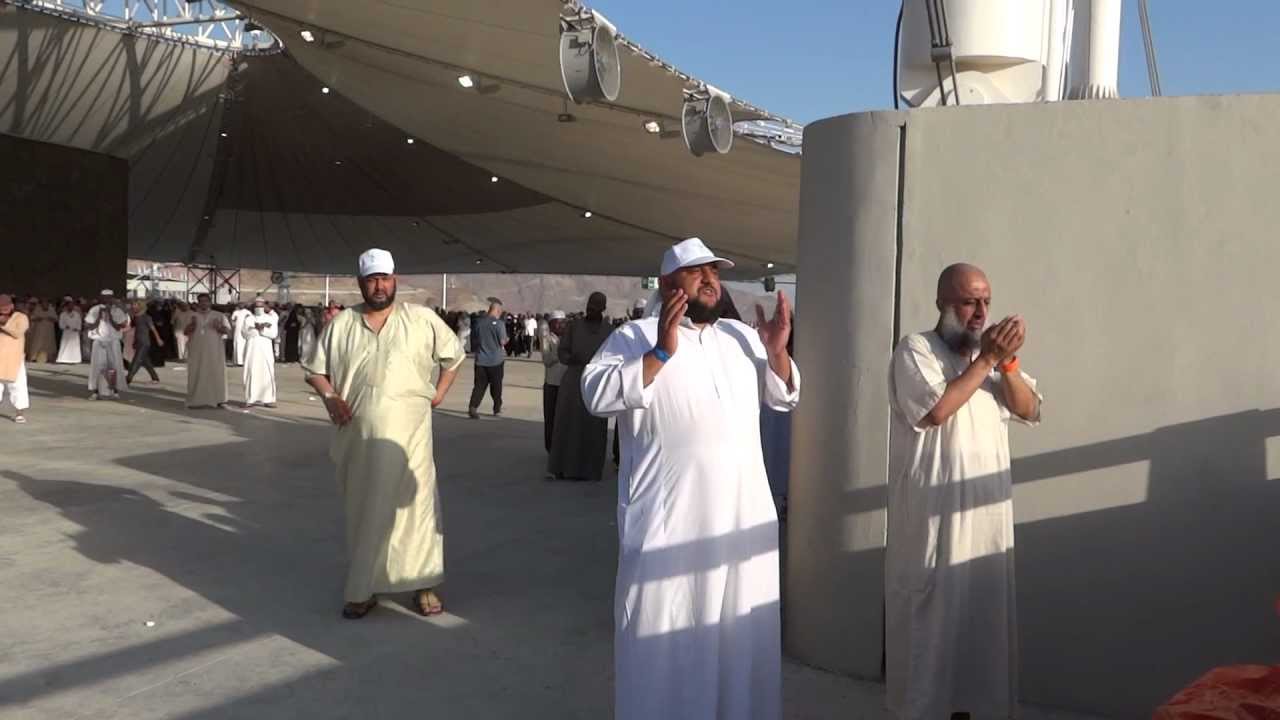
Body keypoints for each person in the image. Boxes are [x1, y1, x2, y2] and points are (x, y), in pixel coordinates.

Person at [581, 237, 800, 720]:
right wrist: (662, 349)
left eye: (715, 272)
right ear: (667, 284)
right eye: (696, 271)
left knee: (741, 636)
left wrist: (779, 353)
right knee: (667, 635)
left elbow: (784, 396)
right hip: (670, 521)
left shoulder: (741, 338)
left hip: (743, 518)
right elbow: (595, 395)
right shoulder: (634, 336)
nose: (709, 280)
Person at [886, 263, 1042, 720]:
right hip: (933, 526)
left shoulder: (991, 360)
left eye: (986, 302)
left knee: (982, 641)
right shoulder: (916, 350)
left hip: (985, 529)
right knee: (929, 642)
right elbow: (935, 410)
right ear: (942, 304)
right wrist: (988, 361)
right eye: (969, 301)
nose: (979, 312)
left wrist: (1005, 364)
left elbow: (1030, 408)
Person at [304, 248, 464, 620]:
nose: (380, 286)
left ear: (395, 280)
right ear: (361, 283)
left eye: (385, 278)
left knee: (417, 511)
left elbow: (453, 357)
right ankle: (363, 588)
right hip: (359, 442)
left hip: (411, 442)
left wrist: (438, 393)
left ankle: (424, 585)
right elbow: (315, 369)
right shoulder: (342, 324)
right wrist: (329, 397)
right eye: (372, 279)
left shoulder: (421, 319)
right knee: (365, 512)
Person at [548, 293, 613, 481]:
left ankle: (590, 471)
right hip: (573, 381)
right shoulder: (574, 327)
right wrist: (570, 359)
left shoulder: (609, 331)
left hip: (597, 383)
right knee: (568, 424)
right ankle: (563, 468)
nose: (591, 309)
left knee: (593, 427)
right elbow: (562, 351)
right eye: (590, 305)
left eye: (596, 306)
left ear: (603, 308)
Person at [184, 293, 230, 409]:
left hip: (214, 350)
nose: (203, 303)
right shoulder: (192, 315)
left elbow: (228, 332)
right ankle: (196, 399)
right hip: (197, 350)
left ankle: (219, 399)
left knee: (215, 372)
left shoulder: (219, 315)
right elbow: (185, 331)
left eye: (206, 301)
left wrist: (219, 327)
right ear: (198, 303)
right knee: (197, 372)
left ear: (210, 302)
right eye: (201, 301)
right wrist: (192, 325)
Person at [85, 290, 129, 400]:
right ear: (101, 297)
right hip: (98, 341)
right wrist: (99, 316)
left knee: (114, 366)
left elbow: (119, 327)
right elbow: (89, 327)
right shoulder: (94, 310)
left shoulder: (117, 310)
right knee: (97, 367)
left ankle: (114, 391)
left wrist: (110, 314)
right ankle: (95, 391)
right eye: (105, 297)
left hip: (113, 341)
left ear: (112, 298)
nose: (107, 299)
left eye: (109, 297)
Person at [468, 301, 508, 419]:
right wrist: (507, 340)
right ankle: (497, 409)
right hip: (496, 360)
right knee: (496, 386)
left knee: (479, 386)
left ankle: (473, 407)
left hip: (481, 359)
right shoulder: (500, 324)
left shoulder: (479, 323)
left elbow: (474, 339)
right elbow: (502, 341)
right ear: (497, 311)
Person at [241, 297, 278, 408]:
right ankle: (250, 398)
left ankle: (269, 399)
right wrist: (255, 330)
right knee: (251, 372)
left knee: (267, 373)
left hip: (265, 350)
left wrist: (262, 330)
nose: (259, 308)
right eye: (257, 306)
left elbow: (273, 334)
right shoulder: (249, 319)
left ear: (264, 307)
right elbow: (244, 333)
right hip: (252, 349)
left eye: (261, 305)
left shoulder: (270, 319)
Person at [0, 295, 31, 424]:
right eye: (2, 306)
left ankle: (19, 413)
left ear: (12, 305)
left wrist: (3, 323)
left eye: (7, 305)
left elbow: (18, 332)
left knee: (18, 386)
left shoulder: (21, 317)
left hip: (15, 358)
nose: (5, 308)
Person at [540, 310, 568, 454]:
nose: (561, 326)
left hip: (566, 385)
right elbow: (546, 360)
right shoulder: (547, 339)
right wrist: (559, 352)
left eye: (563, 322)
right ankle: (551, 448)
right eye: (558, 323)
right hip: (552, 384)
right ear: (551, 324)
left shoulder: (569, 338)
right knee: (551, 418)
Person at [126, 301, 163, 385]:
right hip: (138, 342)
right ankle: (155, 378)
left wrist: (158, 339)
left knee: (136, 361)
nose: (133, 307)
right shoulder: (135, 317)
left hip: (144, 342)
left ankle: (128, 378)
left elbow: (153, 329)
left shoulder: (146, 317)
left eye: (135, 305)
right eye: (133, 305)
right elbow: (134, 329)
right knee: (146, 362)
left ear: (140, 307)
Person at [25, 299, 57, 364]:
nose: (45, 305)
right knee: (37, 344)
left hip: (49, 332)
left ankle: (49, 358)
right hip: (39, 332)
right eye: (43, 304)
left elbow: (56, 319)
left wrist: (51, 318)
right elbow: (32, 318)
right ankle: (34, 357)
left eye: (46, 304)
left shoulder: (51, 310)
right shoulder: (37, 309)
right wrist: (38, 318)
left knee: (49, 344)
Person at [56, 300, 83, 364]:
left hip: (74, 332)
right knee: (65, 345)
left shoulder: (77, 314)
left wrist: (78, 328)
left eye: (72, 305)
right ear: (66, 306)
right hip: (67, 332)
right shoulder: (63, 314)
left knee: (74, 346)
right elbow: (61, 323)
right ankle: (63, 358)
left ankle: (75, 359)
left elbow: (79, 322)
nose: (71, 307)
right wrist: (65, 326)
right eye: (69, 305)